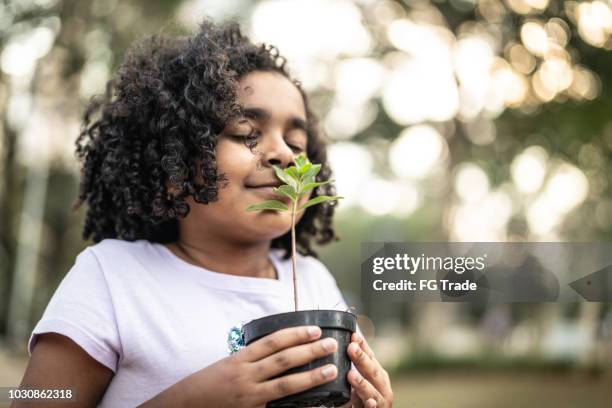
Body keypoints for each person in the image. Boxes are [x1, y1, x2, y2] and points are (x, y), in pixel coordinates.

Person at [15, 19, 393, 408]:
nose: (284, 153)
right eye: (247, 134)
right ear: (175, 167)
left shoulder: (313, 280)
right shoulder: (111, 278)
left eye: (296, 142)